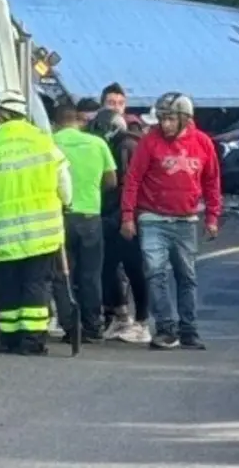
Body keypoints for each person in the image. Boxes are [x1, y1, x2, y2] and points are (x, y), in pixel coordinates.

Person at [0, 89, 71, 355]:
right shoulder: (44, 142)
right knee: (35, 285)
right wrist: (66, 203)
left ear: (1, 115)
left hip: (2, 235)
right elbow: (64, 181)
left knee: (8, 287)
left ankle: (9, 339)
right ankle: (31, 340)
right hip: (40, 232)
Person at [120, 92, 221, 350]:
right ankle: (165, 329)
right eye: (162, 119)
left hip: (186, 221)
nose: (165, 124)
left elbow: (211, 181)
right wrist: (128, 216)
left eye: (170, 119)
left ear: (185, 119)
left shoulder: (203, 143)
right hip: (152, 218)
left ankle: (189, 329)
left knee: (187, 276)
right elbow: (133, 179)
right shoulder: (149, 142)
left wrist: (212, 217)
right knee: (156, 273)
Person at [51, 104, 116, 343]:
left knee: (62, 274)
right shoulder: (97, 144)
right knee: (90, 275)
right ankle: (93, 326)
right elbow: (111, 181)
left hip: (60, 217)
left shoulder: (49, 143)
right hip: (90, 216)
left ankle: (70, 327)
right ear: (79, 121)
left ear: (55, 123)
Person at [89, 108, 151, 343]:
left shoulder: (126, 147)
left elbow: (127, 185)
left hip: (126, 216)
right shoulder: (122, 145)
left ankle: (141, 321)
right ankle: (122, 316)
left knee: (133, 267)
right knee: (110, 267)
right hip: (119, 214)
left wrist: (124, 216)